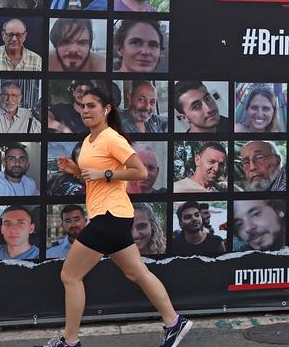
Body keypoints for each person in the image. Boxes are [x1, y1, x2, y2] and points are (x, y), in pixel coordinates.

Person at [42, 86, 192, 347]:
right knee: (138, 273)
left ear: (106, 109)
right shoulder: (90, 140)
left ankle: (70, 341)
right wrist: (75, 170)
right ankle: (174, 322)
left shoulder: (112, 138)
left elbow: (140, 172)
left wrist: (106, 175)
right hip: (114, 215)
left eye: (92, 106)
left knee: (70, 276)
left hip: (109, 217)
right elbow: (95, 179)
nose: (86, 110)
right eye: (83, 106)